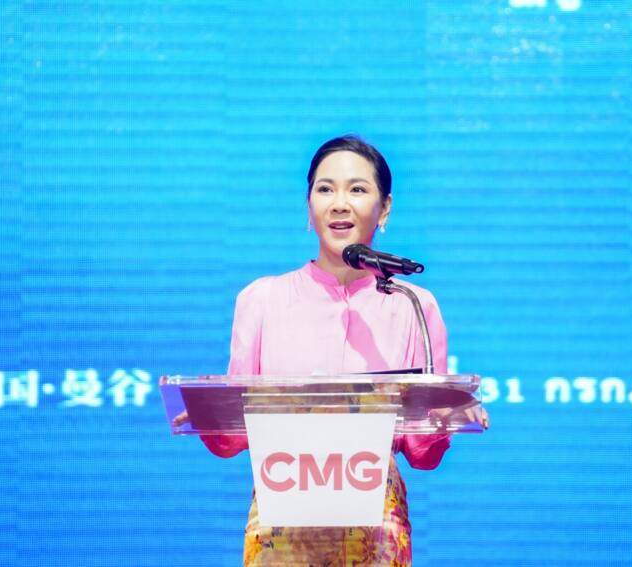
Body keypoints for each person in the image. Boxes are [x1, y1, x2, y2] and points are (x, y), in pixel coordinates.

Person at [205, 135, 489, 566]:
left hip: (375, 537)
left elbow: (423, 456)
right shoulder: (260, 300)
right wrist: (211, 414)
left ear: (384, 208)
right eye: (325, 189)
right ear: (309, 206)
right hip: (281, 535)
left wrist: (442, 419)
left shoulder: (414, 305)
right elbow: (231, 440)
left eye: (357, 189)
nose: (339, 203)